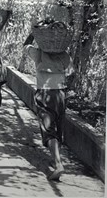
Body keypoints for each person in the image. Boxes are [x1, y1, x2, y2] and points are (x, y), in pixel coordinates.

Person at [23, 22, 74, 181]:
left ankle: (58, 164)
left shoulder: (37, 53)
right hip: (60, 94)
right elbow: (72, 72)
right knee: (57, 128)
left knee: (48, 129)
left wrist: (33, 32)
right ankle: (56, 159)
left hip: (45, 94)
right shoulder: (65, 55)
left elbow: (25, 46)